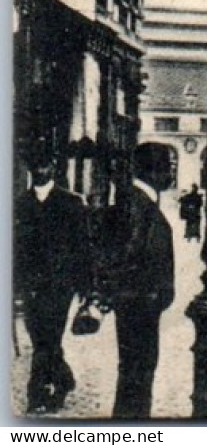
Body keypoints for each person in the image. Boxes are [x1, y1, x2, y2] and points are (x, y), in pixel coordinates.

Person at [100, 143, 175, 420]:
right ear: (153, 171)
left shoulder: (139, 200)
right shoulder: (137, 202)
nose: (170, 174)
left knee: (137, 371)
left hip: (140, 302)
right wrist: (148, 293)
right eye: (168, 167)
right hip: (138, 303)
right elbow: (129, 252)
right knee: (137, 372)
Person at [15, 152, 91, 414]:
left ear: (53, 168)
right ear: (30, 168)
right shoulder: (19, 204)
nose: (41, 170)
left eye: (45, 164)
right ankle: (63, 381)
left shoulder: (70, 203)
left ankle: (37, 395)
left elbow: (83, 246)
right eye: (36, 165)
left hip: (61, 283)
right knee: (41, 339)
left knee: (49, 337)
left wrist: (85, 287)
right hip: (30, 283)